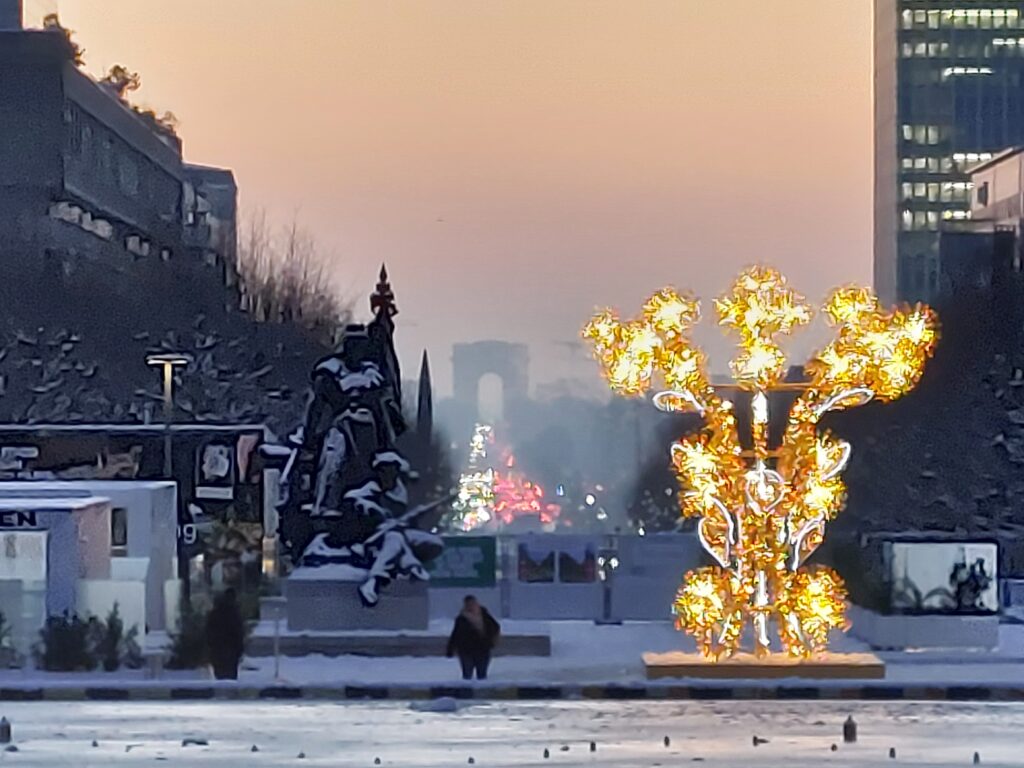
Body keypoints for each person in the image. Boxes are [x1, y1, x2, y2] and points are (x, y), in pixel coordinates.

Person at [446, 595, 500, 681]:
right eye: (468, 604)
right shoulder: (461, 619)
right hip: (466, 651)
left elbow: (495, 627)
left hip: (482, 649)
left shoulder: (484, 616)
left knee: (482, 676)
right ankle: (467, 689)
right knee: (467, 676)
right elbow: (456, 634)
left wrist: (490, 640)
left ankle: (481, 689)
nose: (471, 606)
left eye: (473, 603)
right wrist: (450, 649)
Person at [205, 588, 245, 680]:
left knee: (220, 676)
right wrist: (240, 649)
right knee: (230, 677)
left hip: (217, 650)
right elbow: (238, 632)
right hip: (231, 650)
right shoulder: (234, 613)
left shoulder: (215, 613)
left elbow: (208, 632)